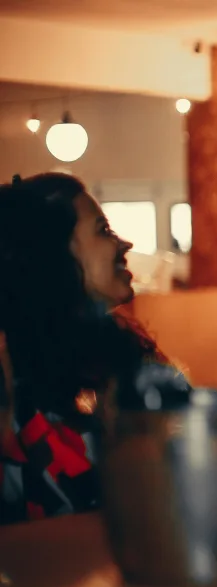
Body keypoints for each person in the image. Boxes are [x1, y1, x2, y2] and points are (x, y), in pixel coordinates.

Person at [0, 173, 167, 524]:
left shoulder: (128, 351)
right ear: (51, 252)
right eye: (103, 230)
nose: (126, 244)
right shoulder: (9, 374)